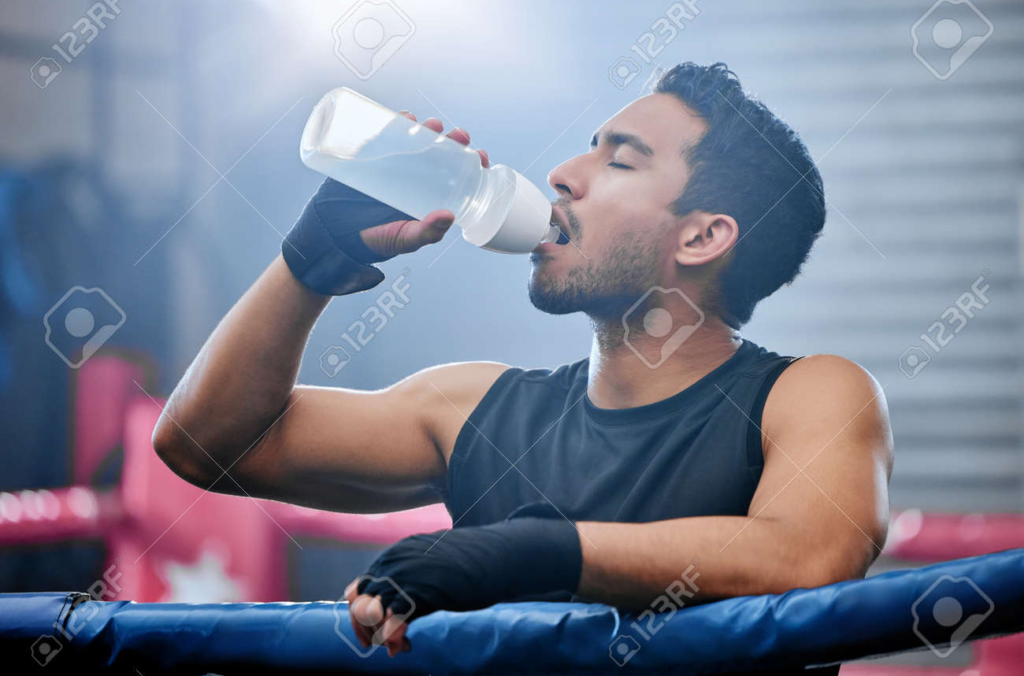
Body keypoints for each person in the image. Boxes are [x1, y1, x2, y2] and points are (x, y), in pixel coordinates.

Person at [153, 62, 893, 672]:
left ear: (702, 236)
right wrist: (312, 261)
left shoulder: (811, 394)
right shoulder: (472, 406)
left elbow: (811, 555)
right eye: (587, 149)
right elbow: (207, 442)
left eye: (620, 159)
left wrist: (534, 551)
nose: (565, 174)